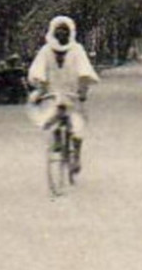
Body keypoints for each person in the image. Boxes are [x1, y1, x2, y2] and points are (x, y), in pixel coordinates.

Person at [27, 15, 100, 171]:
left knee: (77, 126)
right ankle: (57, 139)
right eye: (58, 31)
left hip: (71, 92)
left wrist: (83, 89)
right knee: (50, 118)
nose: (61, 34)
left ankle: (76, 157)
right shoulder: (46, 51)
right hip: (53, 92)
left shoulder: (77, 50)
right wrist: (40, 86)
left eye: (65, 31)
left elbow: (84, 71)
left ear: (70, 33)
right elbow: (38, 70)